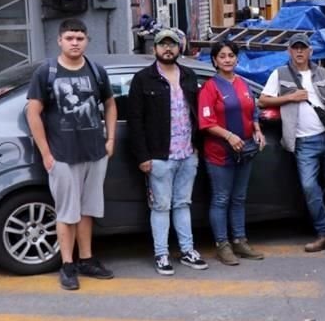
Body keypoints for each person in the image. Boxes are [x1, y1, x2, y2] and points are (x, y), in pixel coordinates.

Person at [26, 18, 116, 291]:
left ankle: (86, 259)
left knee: (88, 210)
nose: (75, 43)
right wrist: (46, 153)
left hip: (95, 153)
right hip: (62, 155)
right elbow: (33, 112)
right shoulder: (46, 72)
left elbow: (110, 104)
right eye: (69, 38)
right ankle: (67, 265)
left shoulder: (96, 71)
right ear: (60, 41)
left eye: (79, 38)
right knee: (67, 213)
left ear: (87, 40)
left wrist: (110, 139)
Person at [258, 33, 325, 253]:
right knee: (310, 188)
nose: (299, 52)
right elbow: (262, 100)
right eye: (295, 48)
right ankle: (324, 233)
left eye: (303, 48)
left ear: (310, 51)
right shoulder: (280, 73)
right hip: (302, 141)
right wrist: (290, 97)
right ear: (289, 51)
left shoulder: (321, 72)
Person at [127, 28, 207, 276]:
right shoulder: (143, 79)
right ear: (155, 49)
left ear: (179, 48)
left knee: (183, 204)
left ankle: (187, 251)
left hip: (187, 154)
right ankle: (161, 255)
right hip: (159, 156)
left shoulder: (189, 75)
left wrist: (197, 147)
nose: (168, 48)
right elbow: (135, 121)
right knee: (160, 207)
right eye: (163, 44)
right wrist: (143, 156)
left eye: (172, 44)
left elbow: (197, 113)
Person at [198, 40, 267, 265]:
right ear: (215, 61)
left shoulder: (243, 83)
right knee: (221, 198)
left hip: (244, 151)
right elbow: (206, 122)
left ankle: (239, 240)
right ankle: (222, 245)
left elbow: (253, 111)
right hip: (219, 153)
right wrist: (228, 136)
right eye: (222, 56)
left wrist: (257, 130)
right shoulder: (210, 87)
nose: (227, 60)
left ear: (237, 59)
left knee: (239, 198)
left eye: (231, 55)